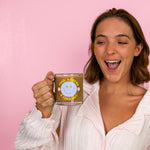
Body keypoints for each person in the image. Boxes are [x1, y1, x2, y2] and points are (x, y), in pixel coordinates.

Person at [15, 8, 150, 150]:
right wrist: (43, 110)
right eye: (101, 42)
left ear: (138, 48)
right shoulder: (69, 94)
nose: (110, 50)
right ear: (94, 48)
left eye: (121, 42)